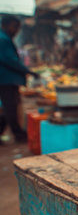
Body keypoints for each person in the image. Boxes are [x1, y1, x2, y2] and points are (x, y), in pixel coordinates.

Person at [0, 15, 38, 143]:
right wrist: (28, 71)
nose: (16, 30)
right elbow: (9, 60)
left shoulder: (4, 38)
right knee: (11, 107)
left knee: (9, 107)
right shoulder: (2, 39)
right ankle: (18, 134)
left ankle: (15, 132)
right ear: (6, 25)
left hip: (6, 80)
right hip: (6, 80)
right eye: (15, 27)